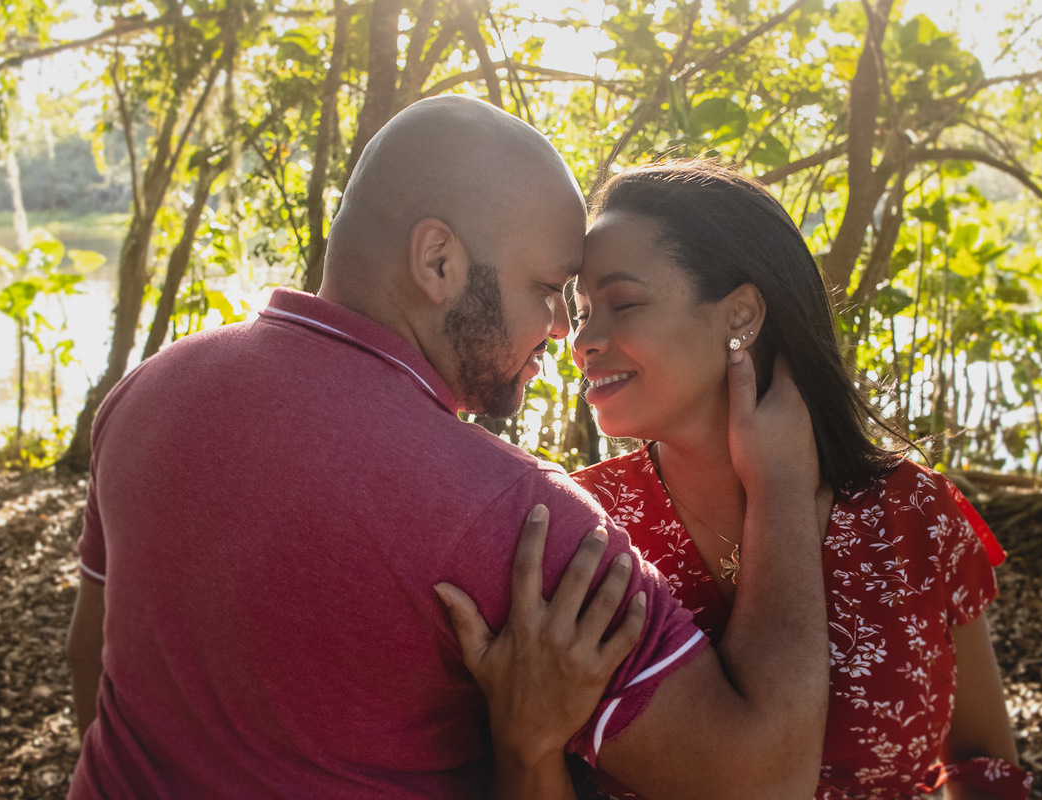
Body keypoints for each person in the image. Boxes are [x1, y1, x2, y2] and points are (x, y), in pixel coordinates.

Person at [65, 98, 831, 798]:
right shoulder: (515, 520)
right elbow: (766, 777)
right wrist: (783, 494)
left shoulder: (146, 394)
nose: (564, 327)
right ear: (438, 262)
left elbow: (94, 665)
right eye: (546, 287)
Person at [443, 161, 1034, 800]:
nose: (583, 339)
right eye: (584, 311)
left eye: (623, 302)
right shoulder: (578, 529)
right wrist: (521, 745)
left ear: (740, 315)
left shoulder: (917, 515)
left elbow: (981, 762)